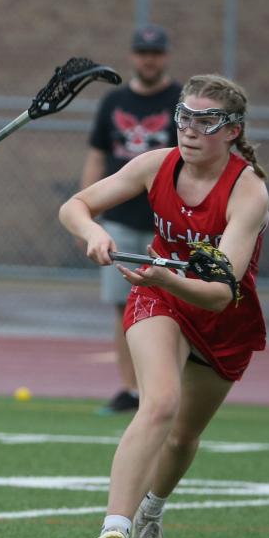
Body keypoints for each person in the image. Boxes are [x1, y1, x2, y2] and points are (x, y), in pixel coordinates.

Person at [60, 74, 267, 538]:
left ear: (232, 131)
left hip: (223, 316)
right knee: (158, 403)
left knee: (182, 439)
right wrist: (93, 233)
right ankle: (115, 528)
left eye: (206, 120)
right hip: (159, 296)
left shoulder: (249, 192)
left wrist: (170, 276)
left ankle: (151, 512)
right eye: (184, 116)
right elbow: (75, 206)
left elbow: (221, 292)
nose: (190, 129)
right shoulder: (155, 165)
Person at [80, 24, 182, 414]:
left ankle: (165, 390)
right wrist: (88, 214)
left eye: (155, 53)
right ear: (133, 56)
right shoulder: (114, 101)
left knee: (173, 305)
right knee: (123, 306)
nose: (149, 60)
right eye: (142, 53)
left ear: (165, 56)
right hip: (120, 217)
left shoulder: (180, 100)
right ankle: (130, 390)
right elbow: (96, 154)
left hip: (167, 221)